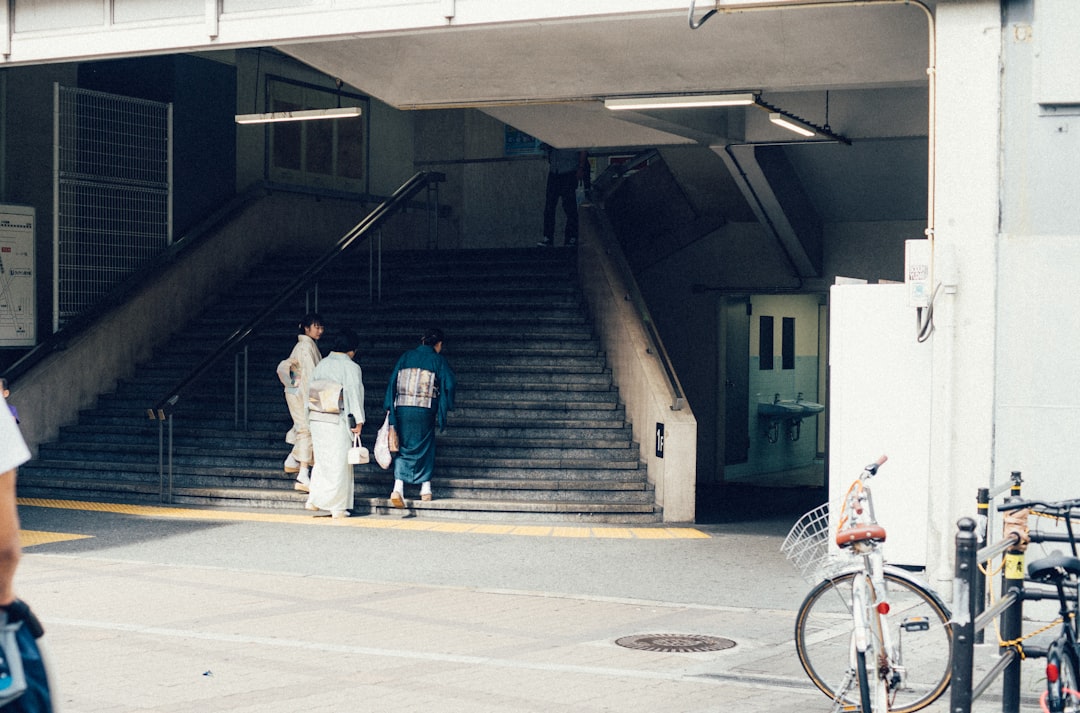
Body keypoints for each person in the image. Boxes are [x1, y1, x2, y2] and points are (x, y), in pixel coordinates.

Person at [383, 328, 456, 507]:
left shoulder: (406, 356)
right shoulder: (437, 360)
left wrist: (390, 406)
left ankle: (398, 487)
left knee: (403, 445)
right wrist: (445, 403)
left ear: (423, 341)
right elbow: (450, 383)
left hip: (402, 407)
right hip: (425, 408)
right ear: (438, 344)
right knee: (426, 445)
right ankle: (425, 488)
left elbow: (393, 381)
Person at [305, 328, 365, 519]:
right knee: (339, 462)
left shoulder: (322, 364)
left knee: (322, 460)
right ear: (352, 350)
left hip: (317, 417)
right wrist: (358, 420)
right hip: (337, 419)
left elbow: (310, 389)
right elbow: (354, 394)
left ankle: (315, 498)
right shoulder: (351, 367)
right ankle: (337, 506)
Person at [276, 313, 324, 492]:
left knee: (303, 429)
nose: (320, 330)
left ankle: (294, 460)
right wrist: (312, 400)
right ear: (306, 328)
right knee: (306, 430)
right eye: (316, 326)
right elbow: (310, 376)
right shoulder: (306, 346)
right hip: (302, 394)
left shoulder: (302, 346)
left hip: (295, 392)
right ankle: (303, 472)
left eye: (321, 327)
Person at [537, 146, 588, 247]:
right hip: (554, 172)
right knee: (549, 207)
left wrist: (581, 168)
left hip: (569, 172)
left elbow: (583, 150)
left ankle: (571, 238)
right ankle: (548, 238)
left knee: (570, 207)